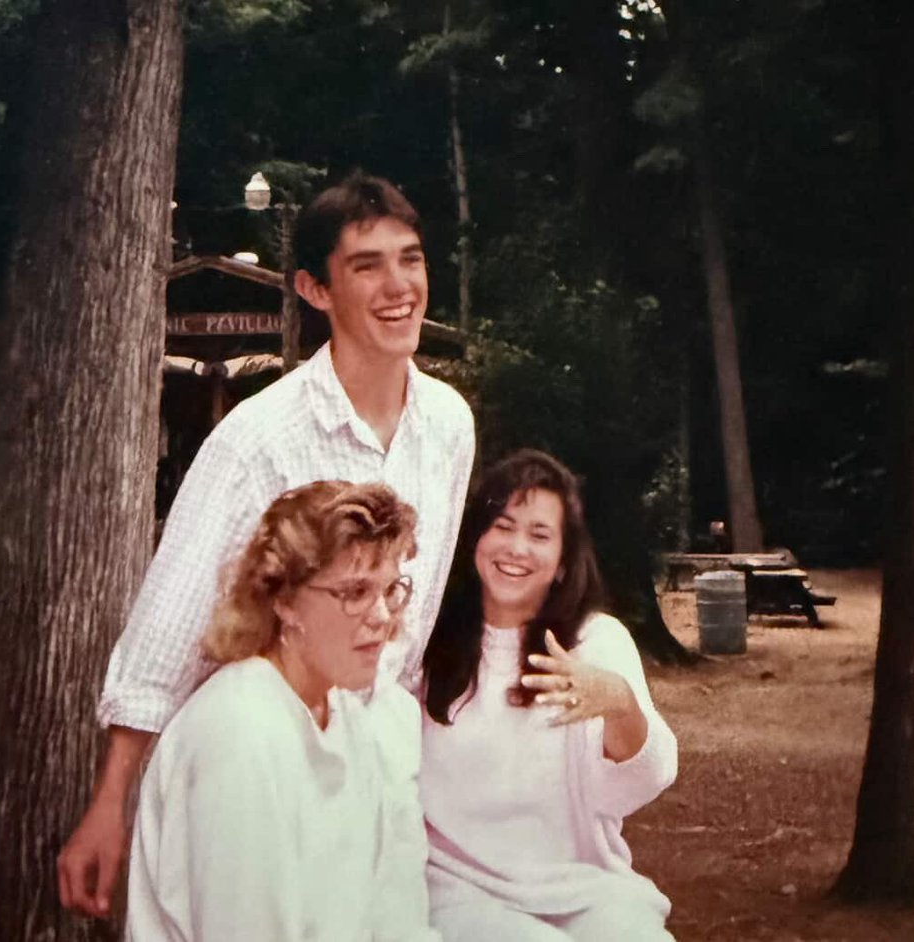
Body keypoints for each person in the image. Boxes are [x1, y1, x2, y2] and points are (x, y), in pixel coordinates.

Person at [59, 172, 475, 917]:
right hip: (265, 759)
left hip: (373, 741)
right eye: (366, 266)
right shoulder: (259, 438)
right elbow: (168, 627)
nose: (397, 286)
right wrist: (109, 805)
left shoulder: (449, 425)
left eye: (409, 258)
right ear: (315, 290)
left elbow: (412, 619)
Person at [127, 480, 438, 940]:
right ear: (285, 600)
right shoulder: (239, 729)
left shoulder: (349, 715)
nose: (381, 615)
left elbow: (392, 912)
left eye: (390, 590)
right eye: (355, 591)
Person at [419, 449, 678, 941]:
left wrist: (619, 702)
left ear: (562, 562)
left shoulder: (597, 640)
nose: (516, 547)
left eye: (539, 535)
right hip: (457, 890)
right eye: (502, 526)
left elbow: (644, 782)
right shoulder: (427, 644)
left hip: (583, 886)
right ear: (475, 538)